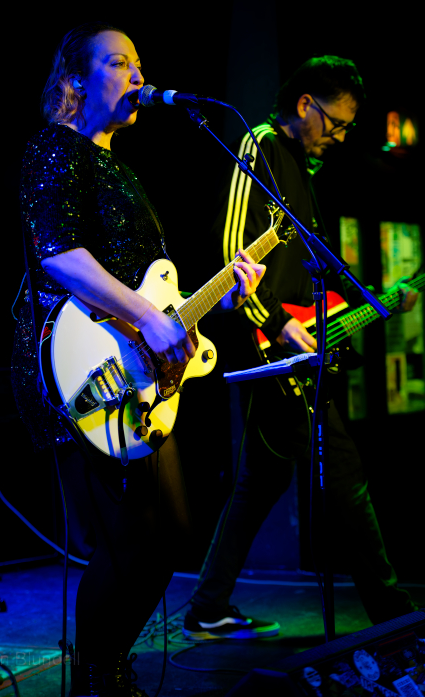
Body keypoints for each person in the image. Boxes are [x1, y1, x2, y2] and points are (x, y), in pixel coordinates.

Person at [11, 22, 265, 697]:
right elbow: (59, 254)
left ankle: (108, 667)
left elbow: (156, 294)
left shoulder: (121, 169)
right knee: (130, 540)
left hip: (137, 374)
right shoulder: (54, 148)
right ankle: (98, 679)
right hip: (75, 365)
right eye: (119, 63)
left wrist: (219, 299)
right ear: (75, 81)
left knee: (169, 533)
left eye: (139, 63)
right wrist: (150, 318)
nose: (137, 76)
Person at [183, 55, 418, 641]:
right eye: (336, 123)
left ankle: (208, 607)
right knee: (345, 475)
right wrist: (277, 323)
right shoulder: (261, 145)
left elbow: (315, 267)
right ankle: (394, 618)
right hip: (268, 348)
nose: (340, 136)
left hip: (291, 347)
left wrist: (374, 300)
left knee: (260, 483)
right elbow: (231, 253)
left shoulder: (303, 171)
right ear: (306, 105)